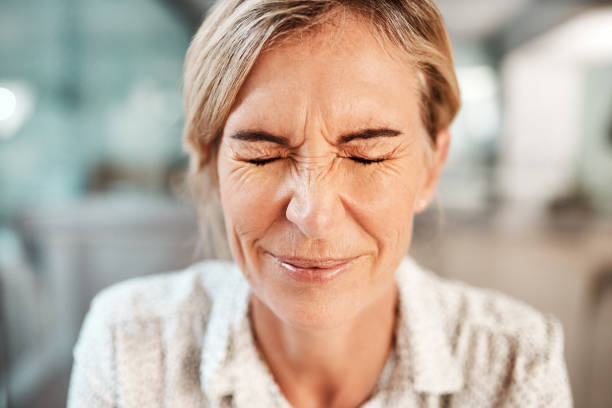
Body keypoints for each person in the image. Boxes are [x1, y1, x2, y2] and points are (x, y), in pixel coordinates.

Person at [67, 0, 573, 407]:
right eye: (264, 156)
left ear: (431, 167)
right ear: (211, 164)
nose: (313, 214)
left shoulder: (513, 361)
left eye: (368, 156)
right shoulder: (129, 344)